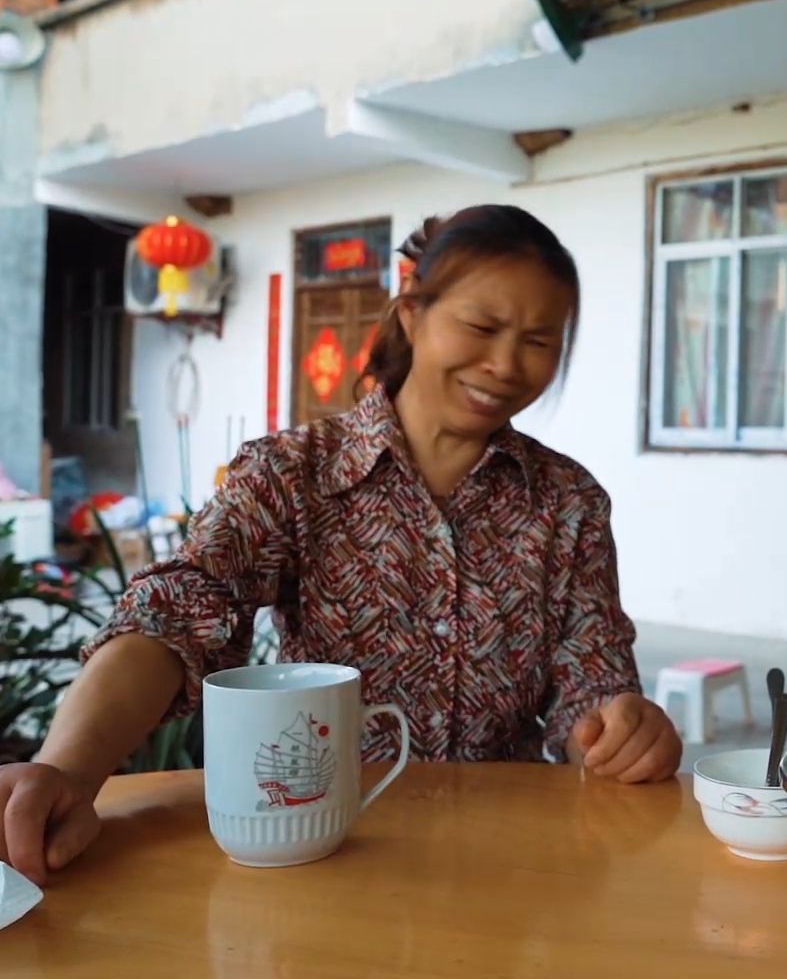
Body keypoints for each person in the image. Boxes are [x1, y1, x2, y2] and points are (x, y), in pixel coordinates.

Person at [0, 205, 680, 888]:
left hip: (509, 862)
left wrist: (620, 730)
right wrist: (66, 771)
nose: (505, 364)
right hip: (324, 849)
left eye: (538, 340)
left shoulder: (568, 501)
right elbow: (175, 612)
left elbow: (592, 681)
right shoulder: (293, 474)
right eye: (481, 326)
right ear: (412, 314)